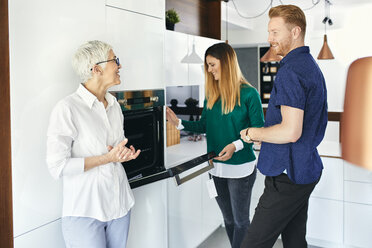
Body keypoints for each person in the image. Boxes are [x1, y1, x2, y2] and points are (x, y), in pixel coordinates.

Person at [239, 5, 328, 248]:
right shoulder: (309, 66)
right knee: (295, 240)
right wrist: (267, 136)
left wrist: (252, 133)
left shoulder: (290, 71)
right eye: (269, 32)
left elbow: (291, 131)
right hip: (303, 170)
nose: (270, 39)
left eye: (276, 32)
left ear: (295, 31)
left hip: (287, 174)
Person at [167, 42, 264, 248]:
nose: (209, 70)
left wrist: (235, 146)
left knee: (240, 221)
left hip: (240, 169)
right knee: (228, 220)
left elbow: (258, 133)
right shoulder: (212, 94)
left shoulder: (249, 94)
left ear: (226, 63)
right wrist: (179, 123)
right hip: (216, 169)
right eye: (207, 66)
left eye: (212, 65)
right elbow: (204, 125)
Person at [46, 40, 140, 248]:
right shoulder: (67, 108)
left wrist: (123, 154)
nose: (119, 65)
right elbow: (57, 166)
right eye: (115, 60)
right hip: (85, 211)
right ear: (96, 69)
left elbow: (114, 149)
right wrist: (107, 158)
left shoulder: (114, 105)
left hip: (120, 205)